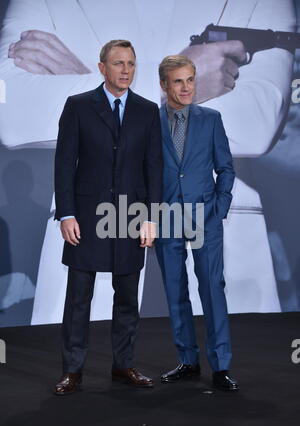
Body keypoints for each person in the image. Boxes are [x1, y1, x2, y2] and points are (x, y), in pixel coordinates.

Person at [0, 0, 296, 323]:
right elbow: (13, 112)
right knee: (90, 361)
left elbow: (258, 119)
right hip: (97, 227)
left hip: (216, 239)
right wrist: (176, 88)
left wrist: (93, 83)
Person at [53, 39, 162, 395]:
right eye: (118, 63)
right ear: (102, 68)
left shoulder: (147, 111)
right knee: (79, 297)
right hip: (86, 217)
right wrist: (66, 213)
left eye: (131, 63)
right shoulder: (79, 106)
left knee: (127, 297)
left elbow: (153, 169)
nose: (126, 70)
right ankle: (73, 370)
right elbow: (65, 164)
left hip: (131, 218)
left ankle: (123, 365)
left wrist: (152, 218)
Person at [156, 55, 238, 392]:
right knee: (175, 292)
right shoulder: (151, 121)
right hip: (165, 217)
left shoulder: (211, 119)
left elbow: (226, 168)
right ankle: (188, 360)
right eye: (178, 81)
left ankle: (220, 366)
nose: (186, 87)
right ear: (164, 85)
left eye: (190, 79)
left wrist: (220, 206)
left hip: (206, 216)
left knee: (211, 288)